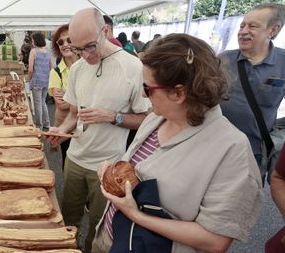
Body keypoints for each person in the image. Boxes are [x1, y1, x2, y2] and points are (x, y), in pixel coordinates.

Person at [92, 33, 263, 253]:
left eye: (148, 89)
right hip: (112, 238)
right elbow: (141, 169)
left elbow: (214, 240)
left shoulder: (231, 150)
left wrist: (136, 215)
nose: (144, 97)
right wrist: (114, 173)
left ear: (178, 93)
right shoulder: (157, 117)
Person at [45, 8, 150, 253]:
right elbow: (73, 113)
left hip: (107, 165)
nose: (85, 55)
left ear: (106, 31)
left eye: (90, 46)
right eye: (77, 48)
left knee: (98, 224)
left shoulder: (132, 67)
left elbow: (147, 119)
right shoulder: (79, 68)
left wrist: (114, 116)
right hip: (75, 158)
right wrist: (61, 130)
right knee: (67, 216)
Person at [219, 3, 285, 173]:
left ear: (273, 30)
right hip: (217, 147)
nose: (243, 31)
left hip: (255, 152)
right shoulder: (222, 60)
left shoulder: (283, 62)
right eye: (242, 25)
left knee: (248, 197)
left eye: (252, 26)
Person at [48, 24, 79, 169]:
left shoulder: (88, 66)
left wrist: (68, 95)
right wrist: (82, 97)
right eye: (61, 42)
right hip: (65, 126)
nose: (65, 44)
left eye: (69, 40)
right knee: (67, 163)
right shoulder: (56, 72)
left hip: (87, 127)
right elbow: (61, 104)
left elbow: (66, 100)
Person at [28, 32, 52, 131]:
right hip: (46, 80)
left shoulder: (33, 51)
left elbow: (30, 69)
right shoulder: (47, 52)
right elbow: (50, 67)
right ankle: (47, 124)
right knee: (43, 102)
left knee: (38, 103)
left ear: (36, 41)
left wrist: (29, 79)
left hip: (37, 81)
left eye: (33, 40)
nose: (32, 42)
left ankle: (39, 126)